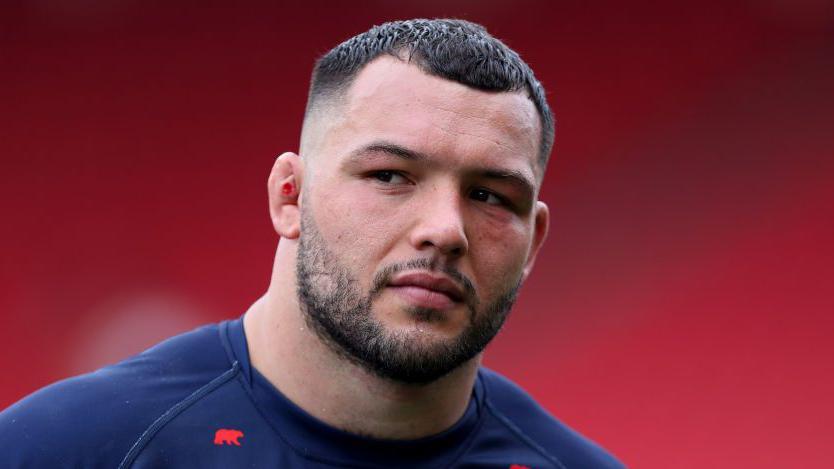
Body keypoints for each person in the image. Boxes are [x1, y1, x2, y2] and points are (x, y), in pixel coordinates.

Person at [0, 19, 624, 468]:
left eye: (490, 196)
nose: (445, 229)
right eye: (390, 176)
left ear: (534, 241)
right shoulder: (60, 449)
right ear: (290, 197)